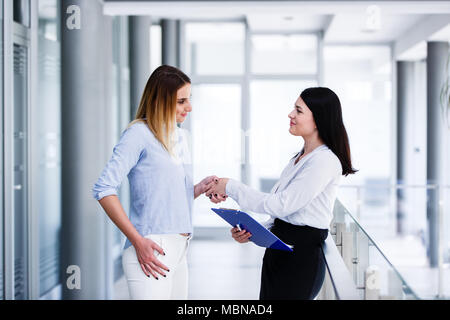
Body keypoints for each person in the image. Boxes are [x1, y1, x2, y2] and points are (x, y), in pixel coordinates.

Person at [205, 87, 357, 300]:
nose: (290, 114)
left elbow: (282, 204)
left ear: (318, 119)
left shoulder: (324, 161)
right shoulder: (300, 157)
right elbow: (285, 216)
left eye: (298, 110)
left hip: (300, 260)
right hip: (280, 252)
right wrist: (252, 232)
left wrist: (230, 186)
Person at [92, 65, 216, 300]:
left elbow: (167, 193)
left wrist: (199, 189)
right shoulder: (138, 134)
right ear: (161, 100)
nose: (189, 107)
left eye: (188, 100)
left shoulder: (181, 137)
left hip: (181, 247)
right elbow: (103, 188)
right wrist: (137, 241)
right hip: (151, 247)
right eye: (181, 101)